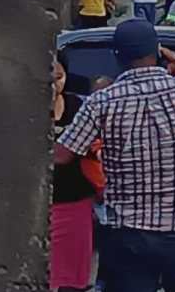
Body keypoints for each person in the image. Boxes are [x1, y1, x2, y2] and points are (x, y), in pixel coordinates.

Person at [55, 20, 175, 292]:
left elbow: (63, 155)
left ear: (118, 57)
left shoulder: (101, 102)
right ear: (158, 52)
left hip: (129, 234)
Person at [51, 55, 101, 292]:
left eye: (59, 77)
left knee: (72, 277)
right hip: (38, 206)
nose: (54, 84)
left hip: (75, 204)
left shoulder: (79, 108)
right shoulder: (23, 112)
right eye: (48, 79)